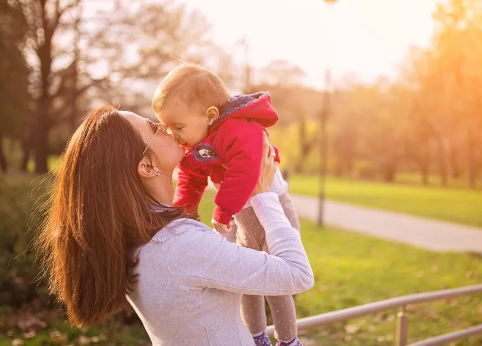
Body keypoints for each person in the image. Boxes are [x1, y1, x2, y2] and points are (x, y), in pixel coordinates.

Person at [37, 105, 313, 346]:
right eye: (155, 128)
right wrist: (264, 195)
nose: (168, 130)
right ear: (146, 166)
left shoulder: (140, 234)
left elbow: (224, 260)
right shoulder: (177, 243)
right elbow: (298, 274)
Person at [152, 63, 303, 345]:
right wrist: (182, 212)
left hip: (273, 210)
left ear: (209, 115)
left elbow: (245, 171)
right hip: (246, 216)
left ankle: (288, 340)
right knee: (249, 284)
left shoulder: (240, 128)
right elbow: (189, 177)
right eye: (167, 127)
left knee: (277, 284)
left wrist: (222, 210)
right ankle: (258, 337)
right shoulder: (197, 145)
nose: (173, 135)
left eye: (178, 126)